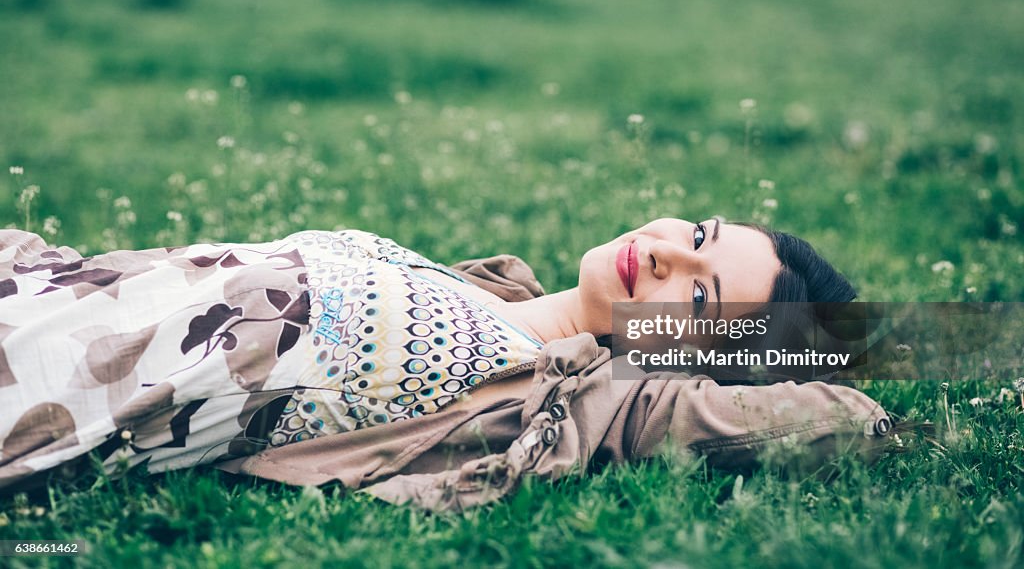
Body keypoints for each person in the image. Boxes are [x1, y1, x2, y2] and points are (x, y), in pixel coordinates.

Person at [0, 219, 891, 507]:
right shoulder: (476, 290)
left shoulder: (548, 388)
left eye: (698, 298)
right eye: (699, 233)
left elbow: (837, 413)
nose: (666, 255)